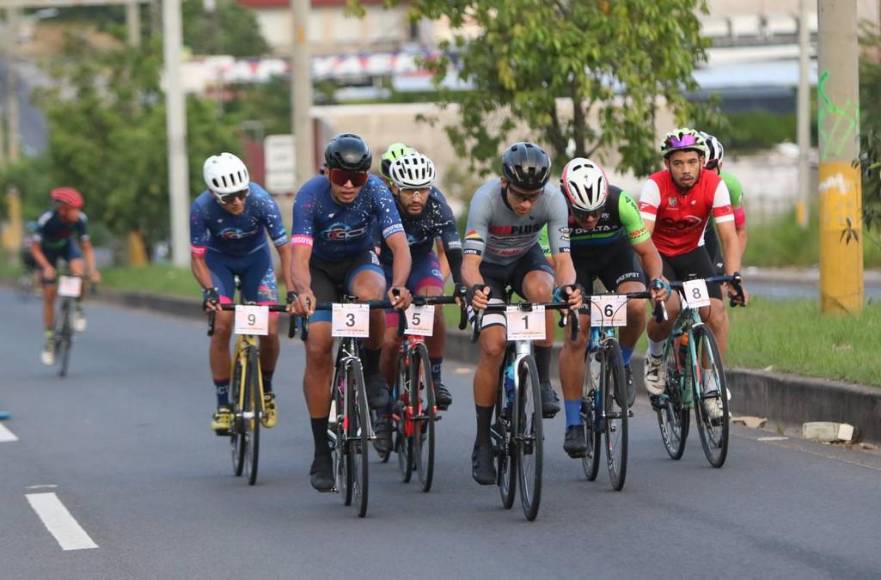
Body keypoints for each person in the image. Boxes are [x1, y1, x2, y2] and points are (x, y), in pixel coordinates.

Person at [288, 133, 412, 492]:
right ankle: (321, 451)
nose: (348, 185)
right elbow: (299, 258)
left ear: (366, 176)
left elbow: (400, 247)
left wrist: (399, 285)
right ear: (327, 172)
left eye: (356, 178)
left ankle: (371, 371)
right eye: (340, 176)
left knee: (373, 296)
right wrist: (303, 291)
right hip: (320, 271)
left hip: (359, 261)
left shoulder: (376, 191)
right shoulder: (310, 195)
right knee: (318, 344)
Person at [462, 141, 582, 485]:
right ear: (505, 183)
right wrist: (474, 289)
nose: (527, 204)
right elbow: (469, 264)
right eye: (520, 196)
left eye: (533, 196)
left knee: (544, 292)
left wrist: (569, 288)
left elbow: (563, 260)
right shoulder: (484, 200)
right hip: (488, 269)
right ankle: (482, 441)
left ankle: (541, 380)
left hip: (524, 261)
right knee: (493, 346)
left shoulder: (554, 199)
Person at [548, 158, 668, 457]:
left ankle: (622, 364)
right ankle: (574, 423)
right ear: (568, 200)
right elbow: (553, 262)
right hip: (573, 262)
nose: (590, 219)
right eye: (582, 213)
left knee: (637, 304)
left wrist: (656, 279)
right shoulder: (553, 206)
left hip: (615, 256)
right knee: (577, 331)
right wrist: (565, 291)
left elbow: (648, 252)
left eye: (596, 211)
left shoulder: (620, 201)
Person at [637, 128, 749, 419]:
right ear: (667, 164)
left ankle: (712, 386)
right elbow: (644, 237)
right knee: (671, 308)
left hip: (692, 253)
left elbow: (729, 236)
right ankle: (656, 355)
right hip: (659, 254)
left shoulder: (715, 185)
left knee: (716, 313)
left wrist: (734, 277)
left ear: (702, 161)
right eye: (678, 163)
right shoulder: (655, 186)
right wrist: (655, 277)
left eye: (691, 162)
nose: (685, 169)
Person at [190, 152, 293, 434]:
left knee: (270, 327)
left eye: (241, 193)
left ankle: (267, 390)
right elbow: (197, 258)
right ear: (213, 195)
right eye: (228, 198)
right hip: (219, 264)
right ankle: (223, 405)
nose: (237, 202)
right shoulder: (201, 208)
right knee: (222, 325)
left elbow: (285, 250)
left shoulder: (261, 200)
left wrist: (293, 290)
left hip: (256, 263)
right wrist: (209, 291)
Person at [375, 152, 465, 452]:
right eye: (409, 191)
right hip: (386, 268)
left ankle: (435, 377)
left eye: (423, 190)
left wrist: (461, 286)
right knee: (390, 340)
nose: (417, 198)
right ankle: (383, 411)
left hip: (422, 263)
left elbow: (453, 247)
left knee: (434, 305)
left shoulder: (437, 203)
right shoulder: (382, 204)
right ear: (394, 188)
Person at [31, 187, 101, 365]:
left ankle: (78, 306)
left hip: (66, 246)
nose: (78, 213)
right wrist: (46, 267)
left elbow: (87, 248)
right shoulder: (46, 220)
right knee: (49, 293)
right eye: (74, 209)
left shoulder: (80, 219)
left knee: (79, 270)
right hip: (47, 252)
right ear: (63, 210)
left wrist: (92, 270)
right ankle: (49, 339)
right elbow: (35, 249)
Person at [697, 131, 748, 272]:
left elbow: (740, 231)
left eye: (710, 168)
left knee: (720, 279)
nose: (705, 175)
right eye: (701, 169)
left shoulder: (730, 185)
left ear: (720, 165)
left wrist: (731, 271)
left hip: (706, 231)